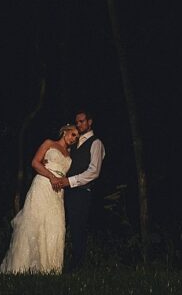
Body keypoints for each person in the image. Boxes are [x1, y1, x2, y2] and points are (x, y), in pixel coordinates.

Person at [0, 124, 79, 274]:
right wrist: (51, 176)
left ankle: (50, 268)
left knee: (55, 225)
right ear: (65, 131)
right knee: (34, 221)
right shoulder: (49, 143)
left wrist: (61, 180)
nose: (74, 138)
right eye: (73, 134)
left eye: (77, 137)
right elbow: (35, 162)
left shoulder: (69, 154)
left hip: (58, 191)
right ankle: (21, 267)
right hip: (43, 184)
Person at [51, 110, 104, 270]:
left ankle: (77, 267)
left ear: (90, 121)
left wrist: (69, 181)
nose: (79, 124)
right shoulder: (75, 141)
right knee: (61, 225)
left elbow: (94, 171)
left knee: (78, 228)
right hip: (66, 192)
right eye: (77, 122)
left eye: (82, 121)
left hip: (81, 192)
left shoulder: (96, 143)